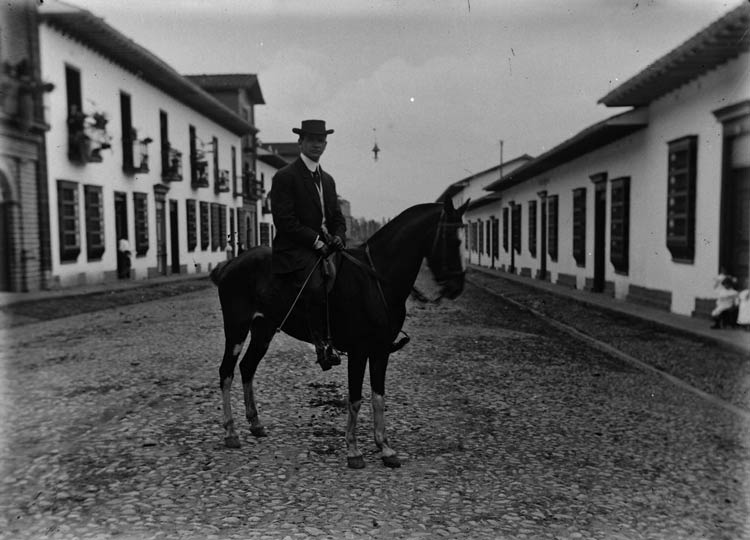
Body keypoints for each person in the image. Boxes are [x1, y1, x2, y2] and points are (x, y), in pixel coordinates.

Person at [269, 119, 347, 370]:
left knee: (353, 276)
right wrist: (315, 242)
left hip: (326, 245)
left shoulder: (328, 180)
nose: (317, 144)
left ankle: (346, 331)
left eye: (321, 140)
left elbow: (336, 217)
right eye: (311, 139)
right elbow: (285, 221)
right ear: (300, 142)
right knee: (316, 284)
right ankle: (322, 344)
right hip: (295, 247)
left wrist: (338, 235)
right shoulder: (285, 177)